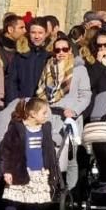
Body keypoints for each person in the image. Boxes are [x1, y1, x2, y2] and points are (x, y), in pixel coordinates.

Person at [0, 97, 61, 210]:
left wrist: (51, 169)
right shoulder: (17, 128)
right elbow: (6, 151)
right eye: (44, 113)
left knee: (34, 203)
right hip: (20, 171)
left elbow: (49, 151)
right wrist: (7, 171)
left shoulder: (45, 128)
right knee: (13, 201)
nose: (47, 116)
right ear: (32, 113)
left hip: (39, 172)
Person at [37, 36, 91, 194]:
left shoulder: (79, 69)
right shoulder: (48, 68)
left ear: (70, 51)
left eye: (64, 49)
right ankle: (50, 186)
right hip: (50, 115)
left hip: (70, 117)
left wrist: (74, 110)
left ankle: (70, 190)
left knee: (70, 155)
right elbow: (41, 92)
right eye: (57, 50)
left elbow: (85, 95)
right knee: (49, 151)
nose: (61, 53)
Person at [5, 17, 50, 104]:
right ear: (29, 33)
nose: (37, 36)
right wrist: (14, 104)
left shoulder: (50, 56)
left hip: (42, 105)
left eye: (40, 33)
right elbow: (11, 82)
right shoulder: (20, 55)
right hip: (22, 104)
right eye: (33, 33)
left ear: (46, 34)